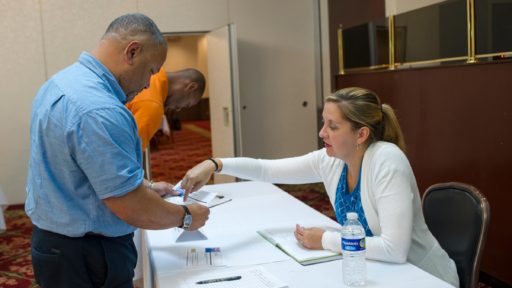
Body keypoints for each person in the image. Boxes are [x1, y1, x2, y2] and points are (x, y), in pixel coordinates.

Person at [180, 87, 459, 287]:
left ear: (361, 134)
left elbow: (394, 250)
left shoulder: (387, 161)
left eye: (332, 126)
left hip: (422, 276)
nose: (321, 133)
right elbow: (267, 169)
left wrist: (324, 240)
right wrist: (215, 164)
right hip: (376, 271)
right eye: (323, 123)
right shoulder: (334, 159)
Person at [26, 13, 210, 288]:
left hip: (54, 243)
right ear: (132, 51)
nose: (149, 84)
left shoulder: (60, 82)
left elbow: (83, 167)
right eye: (151, 70)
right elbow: (131, 207)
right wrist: (185, 217)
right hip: (88, 254)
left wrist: (143, 185)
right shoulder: (100, 110)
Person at [126, 67, 206, 150]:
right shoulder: (153, 106)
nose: (178, 109)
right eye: (186, 104)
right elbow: (127, 152)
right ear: (191, 87)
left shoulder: (150, 70)